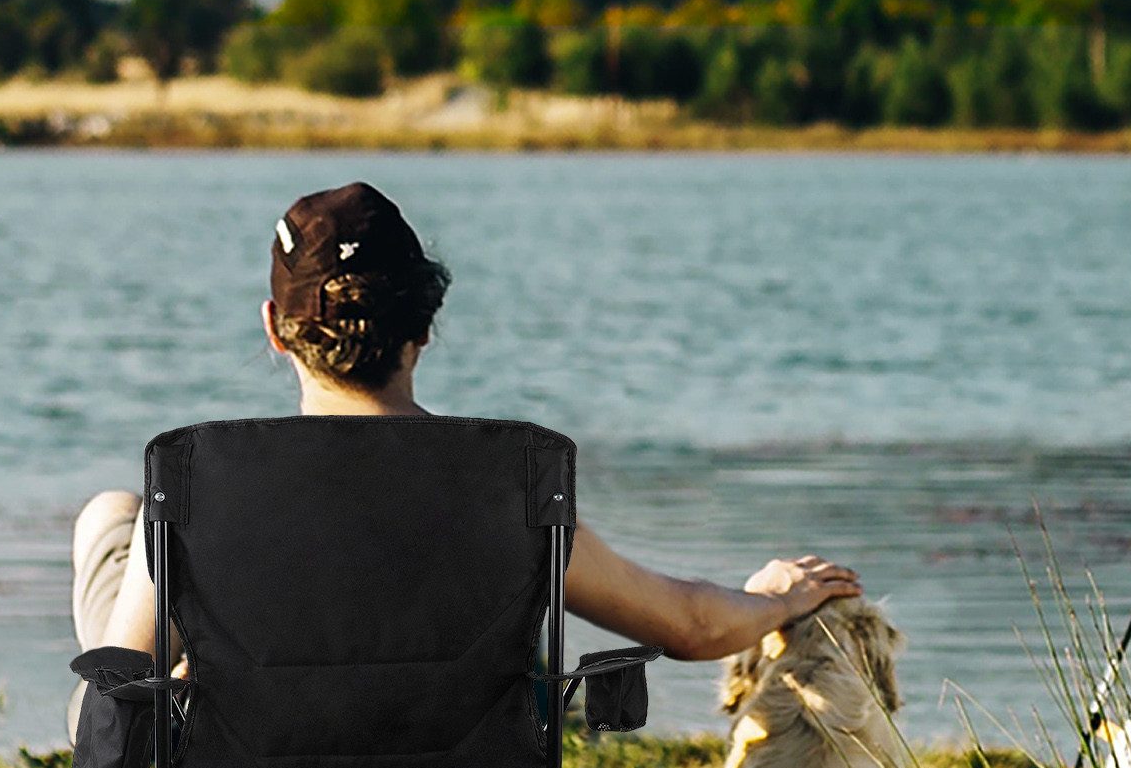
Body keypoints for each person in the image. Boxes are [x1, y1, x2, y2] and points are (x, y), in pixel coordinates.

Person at [69, 182, 861, 727]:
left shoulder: (200, 485)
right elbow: (687, 625)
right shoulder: (507, 482)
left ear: (276, 329)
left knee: (115, 522)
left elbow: (113, 707)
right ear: (426, 323)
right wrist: (780, 599)